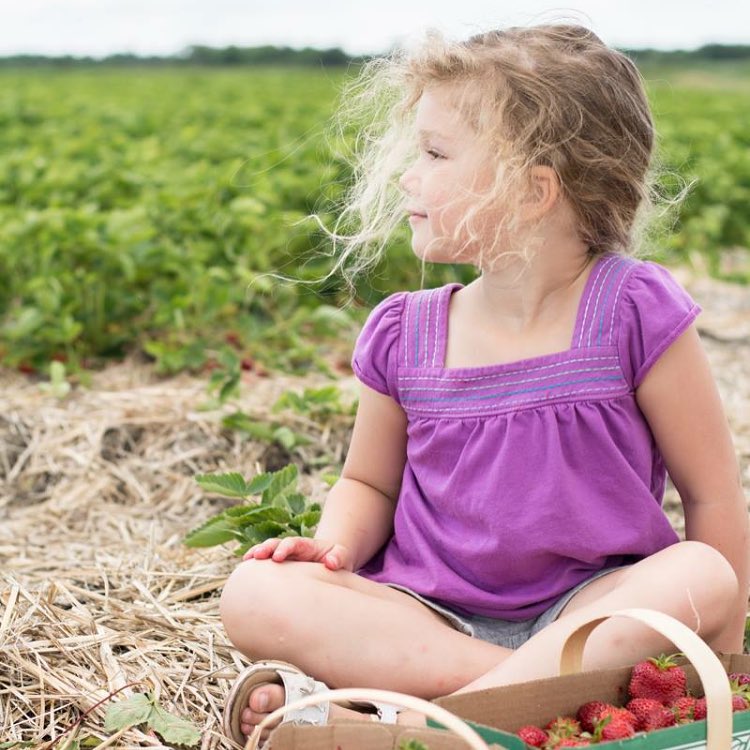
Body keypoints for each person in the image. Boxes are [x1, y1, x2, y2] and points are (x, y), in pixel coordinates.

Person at [219, 22, 749, 745]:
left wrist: (724, 664)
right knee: (256, 592)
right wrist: (334, 547)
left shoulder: (630, 311)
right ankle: (533, 705)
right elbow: (368, 484)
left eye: (435, 153)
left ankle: (403, 722)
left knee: (701, 573)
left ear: (534, 191)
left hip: (587, 613)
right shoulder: (406, 331)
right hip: (429, 616)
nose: (409, 174)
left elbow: (712, 494)